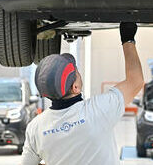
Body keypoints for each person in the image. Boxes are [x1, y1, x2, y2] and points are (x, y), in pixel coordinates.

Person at [20, 22, 144, 165]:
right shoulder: (98, 110)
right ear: (75, 87)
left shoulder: (36, 128)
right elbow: (136, 81)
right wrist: (128, 39)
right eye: (77, 71)